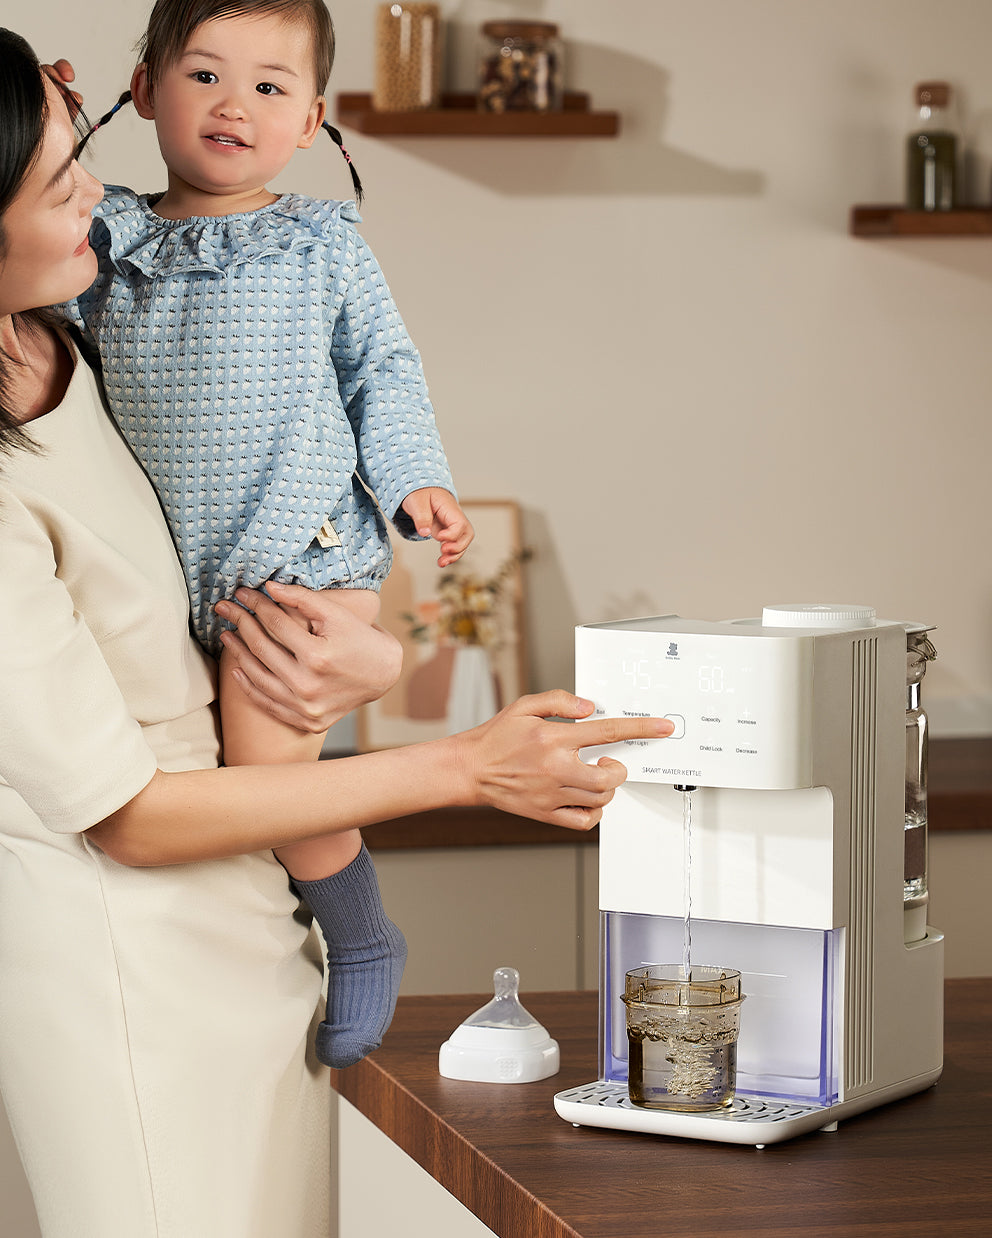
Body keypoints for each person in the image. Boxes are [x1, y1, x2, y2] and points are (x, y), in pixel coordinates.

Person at [0, 28, 674, 1236]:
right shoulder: (79, 324)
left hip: (255, 930)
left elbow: (225, 544)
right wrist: (462, 762)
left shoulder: (60, 337)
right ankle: (363, 922)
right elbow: (127, 811)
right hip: (128, 967)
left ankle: (344, 924)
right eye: (62, 182)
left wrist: (366, 657)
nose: (96, 192)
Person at [55, 0, 479, 1071]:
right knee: (204, 780)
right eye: (202, 76)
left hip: (304, 554)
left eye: (269, 87)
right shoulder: (101, 239)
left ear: (311, 122)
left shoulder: (320, 241)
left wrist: (415, 477)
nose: (233, 105)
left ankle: (360, 930)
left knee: (268, 774)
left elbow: (382, 370)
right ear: (143, 89)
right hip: (177, 562)